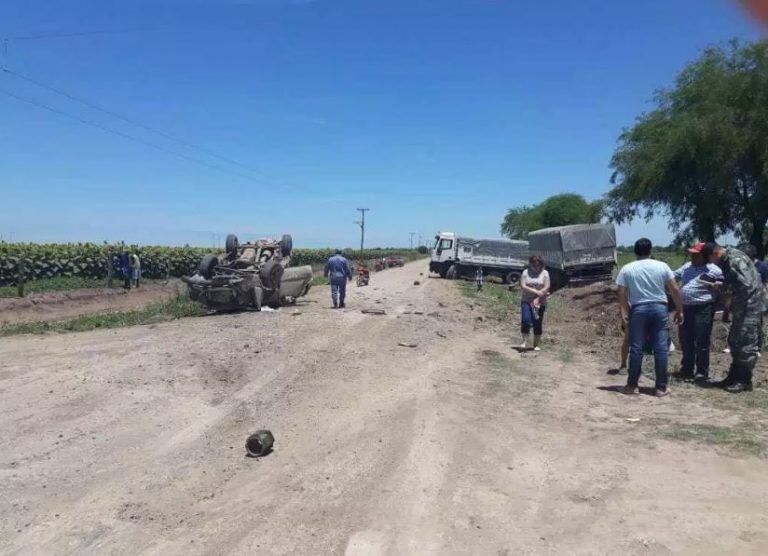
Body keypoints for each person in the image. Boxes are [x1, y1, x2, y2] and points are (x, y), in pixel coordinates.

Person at [616, 238, 684, 397]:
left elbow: (621, 293)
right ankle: (661, 387)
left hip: (638, 309)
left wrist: (625, 313)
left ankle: (632, 386)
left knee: (636, 348)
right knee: (661, 349)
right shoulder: (662, 266)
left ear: (635, 251)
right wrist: (680, 310)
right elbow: (674, 289)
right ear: (650, 251)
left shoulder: (627, 269)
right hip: (660, 308)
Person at [702, 243, 763, 393]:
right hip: (742, 306)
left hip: (750, 307)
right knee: (735, 341)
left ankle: (744, 380)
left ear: (714, 254)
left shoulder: (734, 260)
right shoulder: (730, 258)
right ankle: (734, 377)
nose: (713, 264)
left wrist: (722, 287)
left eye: (711, 260)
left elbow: (745, 283)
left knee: (746, 343)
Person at [672, 242, 724, 381]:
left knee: (701, 340)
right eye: (692, 253)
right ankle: (687, 369)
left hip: (703, 309)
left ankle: (702, 372)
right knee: (685, 340)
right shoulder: (686, 266)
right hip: (685, 308)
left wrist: (718, 287)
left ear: (704, 256)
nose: (692, 256)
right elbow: (672, 277)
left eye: (696, 254)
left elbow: (722, 289)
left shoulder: (714, 270)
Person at [519, 255, 550, 351]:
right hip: (527, 301)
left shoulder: (545, 273)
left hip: (539, 302)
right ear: (531, 264)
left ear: (541, 264)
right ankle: (524, 342)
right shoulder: (525, 272)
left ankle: (536, 344)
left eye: (538, 265)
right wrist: (536, 291)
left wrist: (540, 295)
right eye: (534, 265)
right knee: (526, 320)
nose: (536, 267)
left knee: (537, 322)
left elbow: (547, 286)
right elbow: (523, 285)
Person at [742, 244, 768, 355]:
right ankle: (741, 346)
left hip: (758, 299)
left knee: (757, 323)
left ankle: (757, 347)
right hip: (743, 299)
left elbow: (766, 283)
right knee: (741, 323)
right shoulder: (741, 266)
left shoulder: (762, 266)